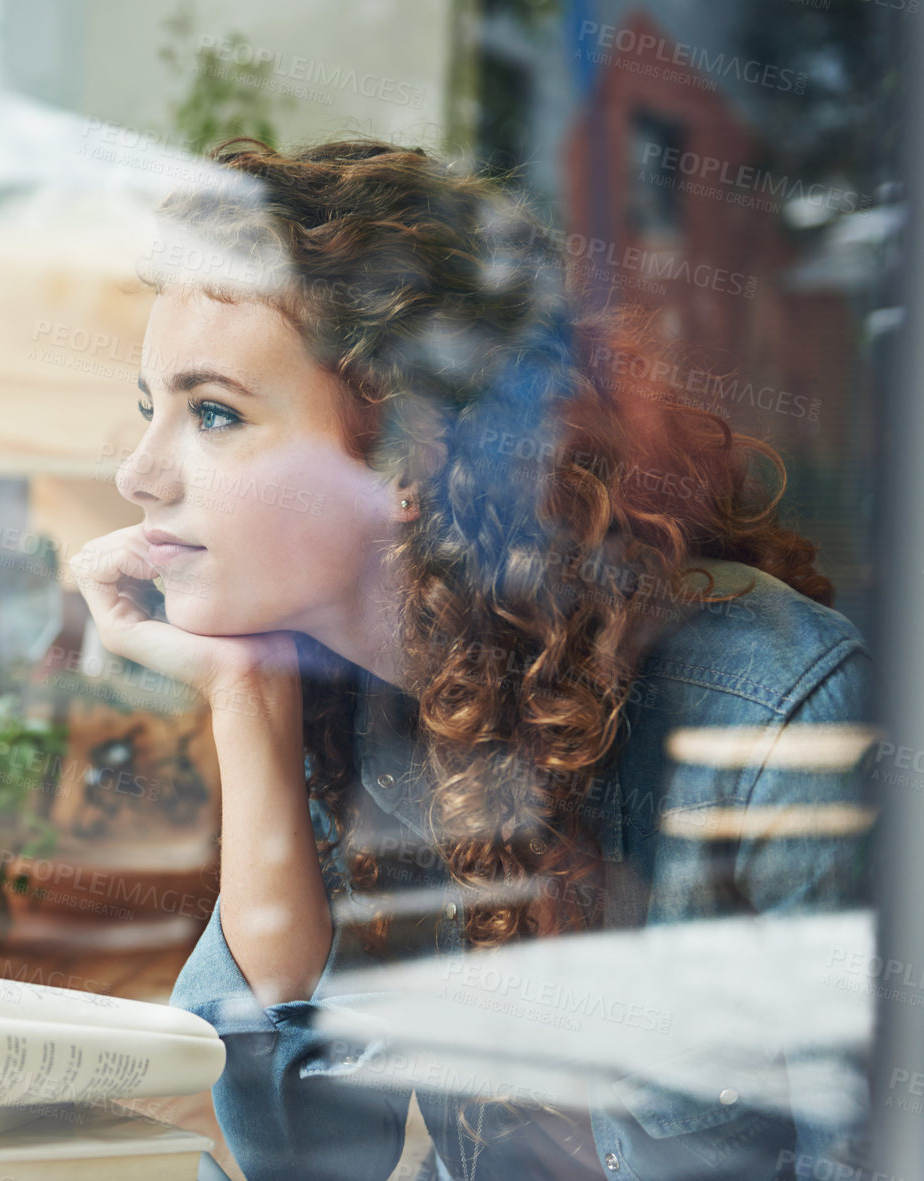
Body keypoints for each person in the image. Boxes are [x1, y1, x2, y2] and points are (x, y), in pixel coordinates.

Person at [70, 138, 877, 1180]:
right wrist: (247, 695)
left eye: (214, 413)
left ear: (409, 453)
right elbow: (305, 1160)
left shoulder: (774, 718)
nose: (138, 474)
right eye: (152, 410)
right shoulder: (344, 703)